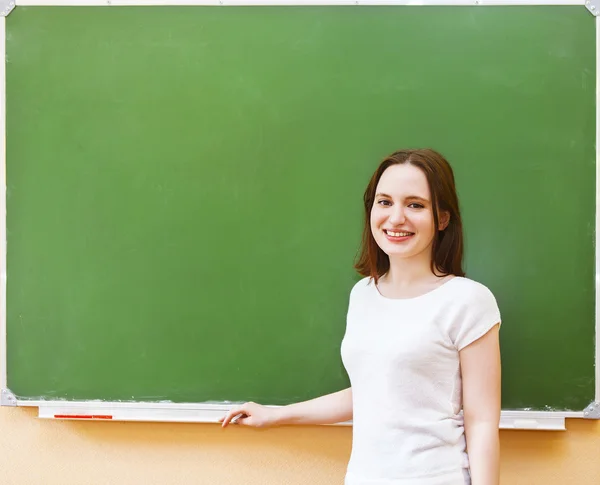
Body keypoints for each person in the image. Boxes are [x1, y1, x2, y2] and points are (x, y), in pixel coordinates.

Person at [220, 149, 501, 485]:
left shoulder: (468, 301)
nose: (396, 218)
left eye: (415, 205)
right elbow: (375, 391)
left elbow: (482, 421)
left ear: (442, 218)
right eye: (384, 202)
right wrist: (277, 414)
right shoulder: (364, 294)